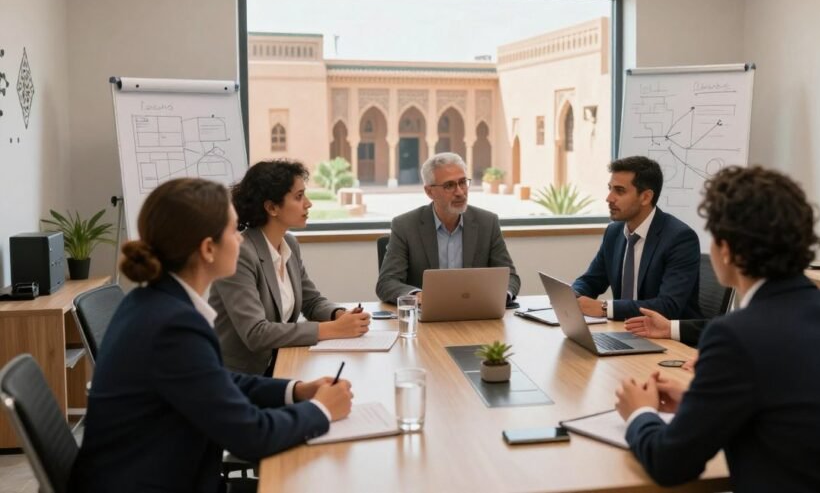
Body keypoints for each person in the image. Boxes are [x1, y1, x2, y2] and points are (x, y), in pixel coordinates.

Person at [614, 166, 820, 493]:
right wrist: (699, 400)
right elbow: (791, 406)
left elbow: (670, 463)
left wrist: (640, 413)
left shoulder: (735, 335)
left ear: (727, 250)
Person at [71, 178, 352, 493]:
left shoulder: (153, 301)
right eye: (233, 231)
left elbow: (218, 381)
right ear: (207, 249)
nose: (242, 241)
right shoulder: (173, 326)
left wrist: (296, 390)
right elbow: (251, 437)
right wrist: (322, 410)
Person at [209, 160, 370, 374]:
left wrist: (339, 315)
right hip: (241, 377)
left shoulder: (289, 244)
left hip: (282, 363)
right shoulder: (241, 254)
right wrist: (331, 329)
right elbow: (256, 333)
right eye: (299, 196)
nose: (308, 204)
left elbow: (311, 301)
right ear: (272, 207)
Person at [375, 152, 521, 304]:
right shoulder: (405, 226)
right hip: (426, 318)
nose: (459, 192)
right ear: (429, 191)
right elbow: (386, 283)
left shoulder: (487, 223)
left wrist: (500, 296)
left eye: (463, 182)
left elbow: (510, 277)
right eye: (449, 185)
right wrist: (418, 296)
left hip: (476, 314)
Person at [573, 156, 701, 323]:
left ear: (646, 197)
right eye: (610, 188)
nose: (609, 198)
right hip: (625, 331)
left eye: (619, 191)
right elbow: (591, 280)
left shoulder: (680, 238)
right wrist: (573, 296)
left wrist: (605, 308)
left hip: (669, 341)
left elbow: (668, 306)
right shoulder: (614, 232)